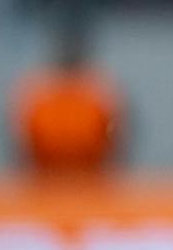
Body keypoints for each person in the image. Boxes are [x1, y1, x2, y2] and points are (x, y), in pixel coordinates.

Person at [11, 13, 126, 177]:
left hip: (92, 185)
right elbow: (22, 150)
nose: (69, 48)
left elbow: (116, 149)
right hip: (44, 186)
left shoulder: (104, 94)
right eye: (65, 42)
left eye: (74, 42)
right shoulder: (33, 95)